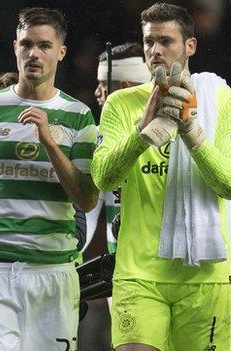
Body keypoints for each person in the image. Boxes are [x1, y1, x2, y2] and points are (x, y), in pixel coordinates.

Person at [0, 7, 98, 351]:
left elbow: (86, 199)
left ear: (61, 52)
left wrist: (50, 144)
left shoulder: (79, 116)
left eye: (43, 45)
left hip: (53, 273)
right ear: (15, 47)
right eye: (26, 44)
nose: (34, 54)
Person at [91, 3, 231, 350]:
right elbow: (102, 178)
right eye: (149, 42)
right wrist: (142, 134)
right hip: (139, 274)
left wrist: (191, 131)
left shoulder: (224, 102)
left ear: (189, 46)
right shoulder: (120, 104)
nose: (155, 51)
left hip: (205, 279)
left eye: (166, 41)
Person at [84, 42, 151, 255]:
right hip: (121, 270)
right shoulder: (96, 136)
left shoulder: (172, 132)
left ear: (125, 88)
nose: (97, 92)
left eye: (103, 85)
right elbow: (87, 213)